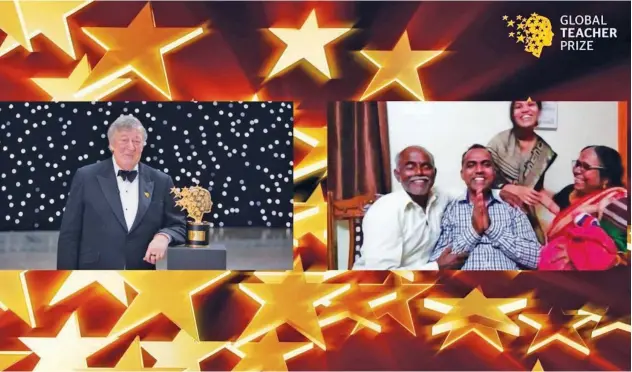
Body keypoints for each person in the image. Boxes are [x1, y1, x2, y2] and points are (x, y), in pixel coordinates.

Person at [57, 114, 186, 270]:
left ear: (143, 145)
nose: (131, 147)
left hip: (141, 276)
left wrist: (164, 236)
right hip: (93, 274)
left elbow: (179, 225)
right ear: (111, 144)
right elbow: (69, 235)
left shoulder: (161, 181)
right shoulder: (86, 177)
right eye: (124, 140)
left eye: (137, 141)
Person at [353, 146, 469, 270]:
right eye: (410, 167)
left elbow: (472, 193)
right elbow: (381, 276)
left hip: (423, 282)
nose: (419, 172)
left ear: (434, 173)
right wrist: (437, 267)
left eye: (426, 167)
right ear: (397, 175)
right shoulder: (385, 211)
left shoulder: (440, 197)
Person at [429, 144, 541, 270]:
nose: (479, 170)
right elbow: (439, 261)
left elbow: (538, 258)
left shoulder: (512, 206)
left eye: (486, 164)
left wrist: (492, 229)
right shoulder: (451, 210)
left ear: (494, 172)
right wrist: (474, 231)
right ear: (462, 174)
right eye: (471, 165)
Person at [537, 146, 628, 270]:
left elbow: (620, 250)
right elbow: (560, 210)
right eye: (577, 164)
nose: (577, 170)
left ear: (605, 178)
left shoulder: (613, 204)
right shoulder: (571, 190)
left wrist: (576, 252)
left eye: (586, 167)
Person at [487, 100, 557, 244]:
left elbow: (536, 188)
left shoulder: (544, 150)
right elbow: (484, 178)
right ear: (512, 114)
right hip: (496, 211)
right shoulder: (498, 142)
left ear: (539, 111)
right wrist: (510, 188)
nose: (525, 110)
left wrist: (559, 209)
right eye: (518, 106)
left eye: (531, 105)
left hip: (526, 215)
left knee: (540, 250)